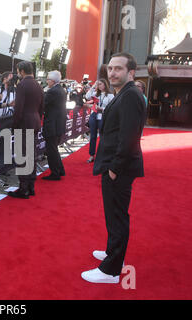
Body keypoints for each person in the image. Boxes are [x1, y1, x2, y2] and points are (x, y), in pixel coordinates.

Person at [81, 52, 146, 284]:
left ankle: (110, 270)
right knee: (113, 215)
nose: (112, 73)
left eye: (118, 69)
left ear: (131, 72)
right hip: (115, 164)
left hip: (119, 167)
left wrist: (115, 168)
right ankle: (112, 253)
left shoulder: (130, 95)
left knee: (117, 216)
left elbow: (129, 136)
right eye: (110, 68)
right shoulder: (124, 94)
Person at [8, 61, 44, 199]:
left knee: (23, 156)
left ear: (22, 71)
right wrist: (37, 119)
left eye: (18, 71)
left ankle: (23, 189)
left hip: (24, 124)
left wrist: (15, 125)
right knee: (31, 155)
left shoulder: (22, 85)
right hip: (34, 122)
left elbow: (19, 108)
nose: (18, 73)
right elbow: (42, 107)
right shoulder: (38, 85)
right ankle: (31, 186)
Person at [42, 70, 67, 181]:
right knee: (54, 148)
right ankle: (60, 169)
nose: (46, 81)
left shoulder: (52, 91)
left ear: (52, 81)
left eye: (47, 79)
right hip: (58, 123)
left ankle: (55, 173)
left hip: (52, 124)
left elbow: (43, 104)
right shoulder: (60, 89)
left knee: (51, 149)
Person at [84, 78, 114, 163]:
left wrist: (102, 109)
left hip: (104, 115)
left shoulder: (110, 95)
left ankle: (102, 155)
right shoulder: (95, 94)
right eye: (98, 84)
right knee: (92, 136)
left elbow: (111, 108)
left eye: (100, 84)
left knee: (102, 136)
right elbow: (87, 96)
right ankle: (91, 155)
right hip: (94, 115)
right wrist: (93, 86)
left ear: (105, 84)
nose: (99, 86)